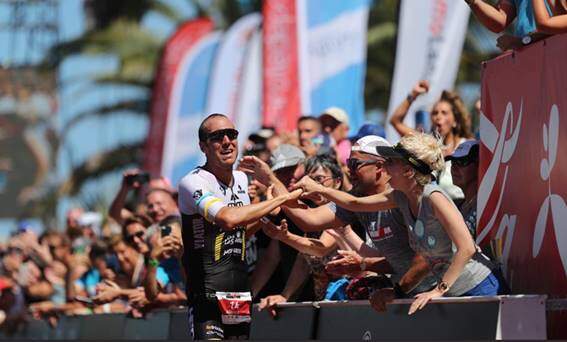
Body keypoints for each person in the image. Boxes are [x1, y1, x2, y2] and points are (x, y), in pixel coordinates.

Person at [292, 132, 499, 315]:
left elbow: (467, 248)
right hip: (453, 294)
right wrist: (321, 190)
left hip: (478, 289)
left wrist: (439, 289)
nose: (385, 166)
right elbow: (354, 203)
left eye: (391, 162)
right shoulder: (399, 196)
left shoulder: (434, 197)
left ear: (409, 171)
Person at [240, 135, 435, 313]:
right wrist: (270, 178)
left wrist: (374, 273)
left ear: (379, 167)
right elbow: (309, 220)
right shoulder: (357, 197)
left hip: (446, 293)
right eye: (348, 162)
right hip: (408, 295)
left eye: (354, 163)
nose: (349, 169)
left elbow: (425, 258)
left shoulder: (405, 196)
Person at [178, 113, 302, 340]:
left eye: (231, 134)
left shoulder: (242, 180)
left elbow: (239, 231)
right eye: (217, 137)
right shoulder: (193, 182)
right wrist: (273, 202)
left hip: (238, 292)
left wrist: (266, 215)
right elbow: (228, 219)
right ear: (203, 146)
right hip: (206, 292)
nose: (226, 141)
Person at [389, 80, 473, 200]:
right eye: (434, 113)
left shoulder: (467, 146)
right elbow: (396, 121)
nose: (438, 117)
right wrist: (413, 94)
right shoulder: (425, 145)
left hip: (461, 212)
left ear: (455, 121)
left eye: (444, 113)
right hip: (431, 215)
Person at [464, 0, 551, 49]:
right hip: (525, 52)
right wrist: (473, 1)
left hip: (555, 48)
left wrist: (523, 41)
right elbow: (499, 22)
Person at [446, 140, 480, 238]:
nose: (454, 167)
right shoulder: (457, 205)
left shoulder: (485, 207)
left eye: (462, 161)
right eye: (453, 161)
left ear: (479, 166)